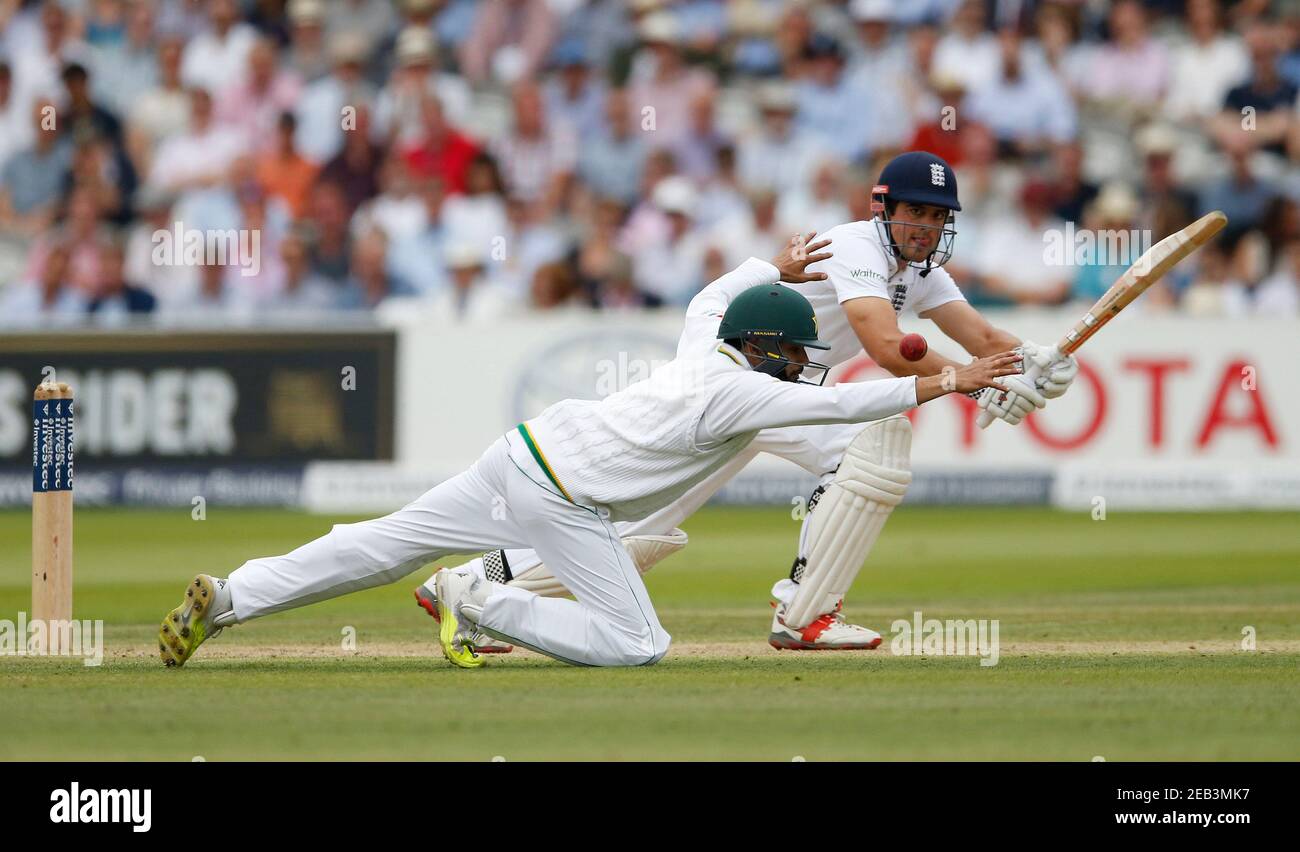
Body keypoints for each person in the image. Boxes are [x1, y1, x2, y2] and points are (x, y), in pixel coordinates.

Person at [158, 246, 1021, 669]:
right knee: (639, 643)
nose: (803, 364)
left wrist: (776, 262)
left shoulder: (702, 344)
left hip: (521, 453)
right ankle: (479, 598)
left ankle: (231, 596)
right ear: (765, 350)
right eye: (793, 353)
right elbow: (847, 402)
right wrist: (953, 380)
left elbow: (713, 292)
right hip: (565, 499)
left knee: (388, 541)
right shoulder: (743, 391)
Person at [416, 151, 1081, 652]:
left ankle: (474, 588)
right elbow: (886, 344)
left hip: (780, 389)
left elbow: (986, 337)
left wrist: (1036, 362)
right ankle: (802, 611)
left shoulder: (922, 270)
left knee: (648, 524)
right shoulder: (855, 246)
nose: (926, 228)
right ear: (884, 210)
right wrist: (984, 380)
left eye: (938, 218)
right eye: (915, 213)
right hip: (737, 370)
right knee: (867, 443)